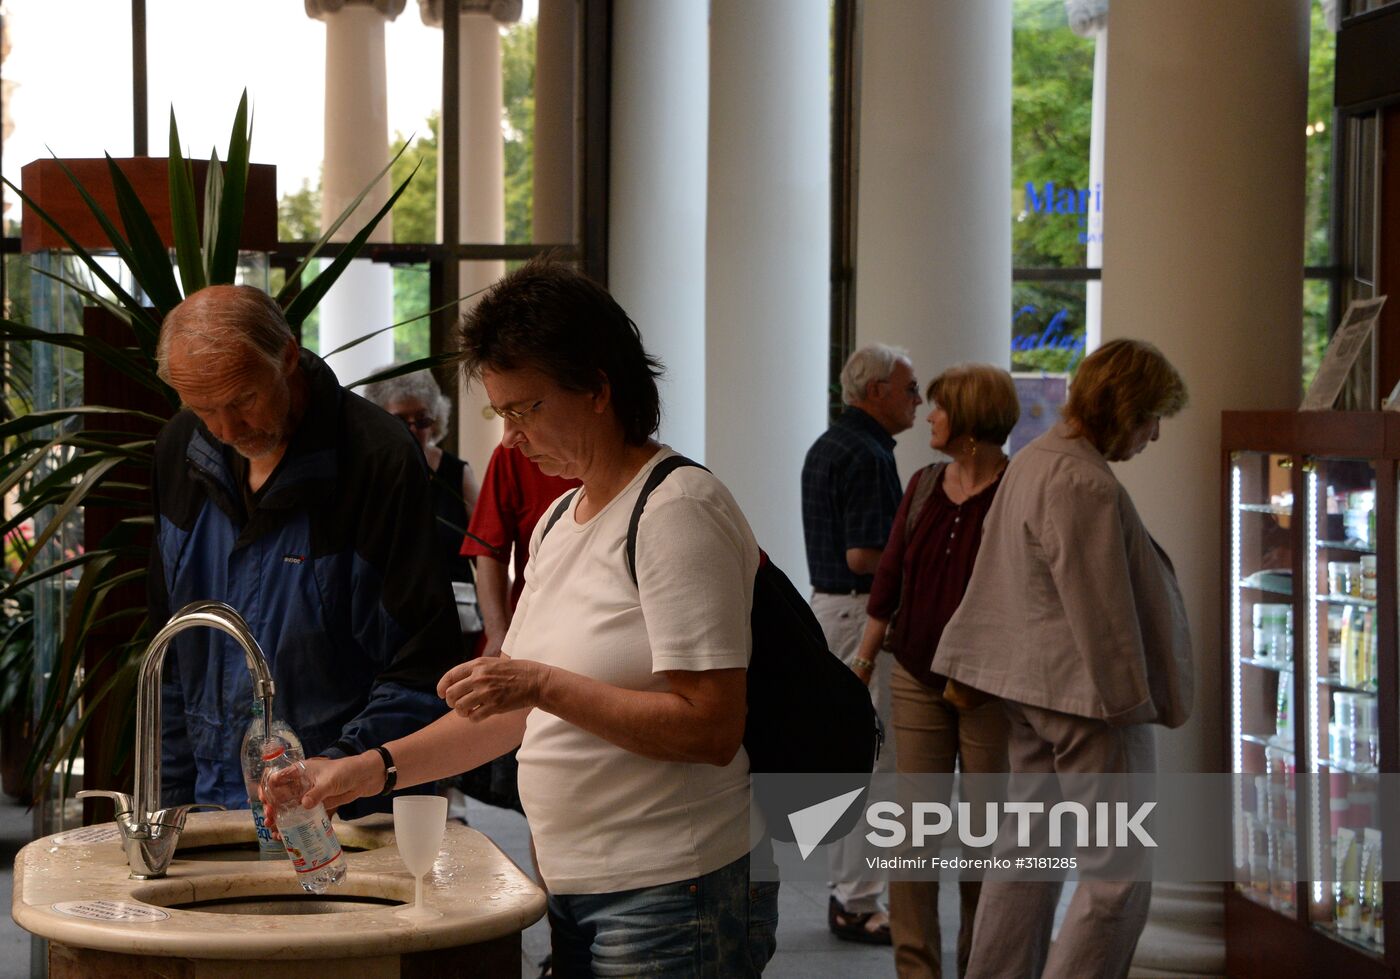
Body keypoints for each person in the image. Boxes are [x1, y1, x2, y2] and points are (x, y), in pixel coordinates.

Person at [275, 259, 780, 976]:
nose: (510, 438)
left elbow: (709, 724)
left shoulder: (675, 511)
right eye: (500, 412)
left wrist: (541, 684)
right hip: (578, 883)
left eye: (525, 409)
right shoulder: (556, 520)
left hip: (673, 886)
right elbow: (512, 716)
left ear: (599, 388)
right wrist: (367, 770)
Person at [934, 339, 1194, 979]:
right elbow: (1099, 608)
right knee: (1117, 877)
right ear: (1125, 407)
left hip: (1027, 693)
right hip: (1086, 701)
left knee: (1024, 856)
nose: (1155, 434)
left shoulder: (1033, 460)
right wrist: (1132, 704)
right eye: (1152, 416)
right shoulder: (1082, 479)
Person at [149, 285, 460, 816]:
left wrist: (340, 772)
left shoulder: (375, 457)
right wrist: (173, 809)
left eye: (243, 400)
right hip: (212, 808)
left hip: (350, 811)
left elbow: (419, 665)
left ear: (288, 356)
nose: (226, 430)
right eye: (204, 410)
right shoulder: (182, 448)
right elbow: (172, 657)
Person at [851, 364, 1017, 978]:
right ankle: (915, 969)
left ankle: (981, 964)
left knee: (985, 840)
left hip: (989, 687)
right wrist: (864, 661)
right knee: (912, 836)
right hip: (917, 676)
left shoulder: (1016, 490)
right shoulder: (923, 484)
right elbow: (889, 578)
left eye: (940, 407)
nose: (929, 415)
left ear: (969, 421)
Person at [800, 342, 921, 944]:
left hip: (834, 612)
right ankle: (857, 901)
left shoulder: (832, 443)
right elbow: (864, 555)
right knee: (878, 765)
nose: (918, 400)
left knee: (853, 761)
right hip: (860, 616)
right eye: (909, 388)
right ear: (876, 392)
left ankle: (847, 893)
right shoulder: (870, 454)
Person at [362, 368, 481, 644]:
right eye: (401, 420)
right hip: (388, 628)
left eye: (423, 420)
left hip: (455, 628)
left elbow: (485, 556)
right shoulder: (367, 477)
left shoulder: (457, 474)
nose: (414, 430)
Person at [463, 443, 581, 658]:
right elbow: (489, 551)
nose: (509, 434)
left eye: (520, 412)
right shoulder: (514, 453)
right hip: (531, 631)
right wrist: (498, 634)